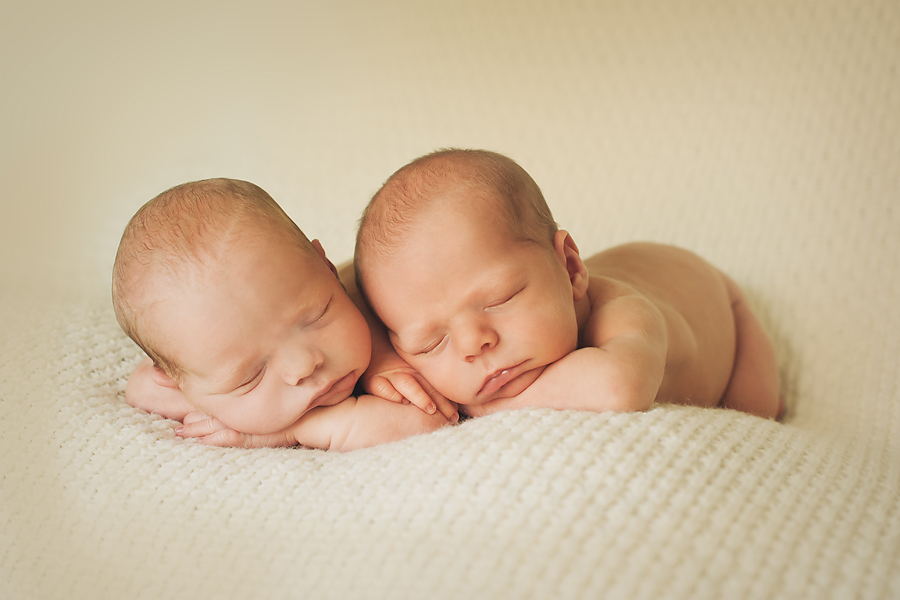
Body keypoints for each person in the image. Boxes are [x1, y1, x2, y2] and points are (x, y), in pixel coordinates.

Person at [355, 149, 784, 420]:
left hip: (722, 306)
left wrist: (478, 405)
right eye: (431, 343)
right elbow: (344, 291)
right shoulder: (423, 312)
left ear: (571, 268)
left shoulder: (622, 312)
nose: (472, 344)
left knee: (758, 412)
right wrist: (380, 366)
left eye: (500, 299)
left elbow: (619, 386)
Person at [112, 178, 457, 452]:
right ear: (177, 380)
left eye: (315, 317)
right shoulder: (194, 370)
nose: (304, 365)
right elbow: (142, 388)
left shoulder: (389, 311)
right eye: (252, 375)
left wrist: (291, 430)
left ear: (327, 269)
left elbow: (424, 421)